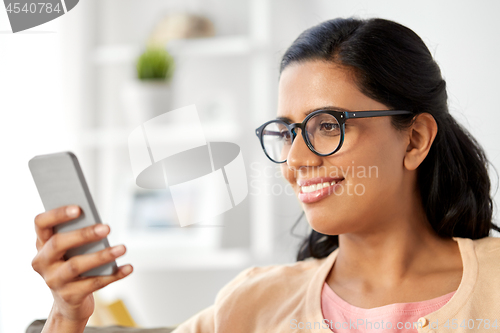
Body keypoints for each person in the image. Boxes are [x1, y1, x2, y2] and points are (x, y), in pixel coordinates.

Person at [32, 17, 500, 333]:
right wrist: (68, 313)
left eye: (326, 126)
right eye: (286, 131)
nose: (296, 159)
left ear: (415, 139)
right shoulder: (252, 306)